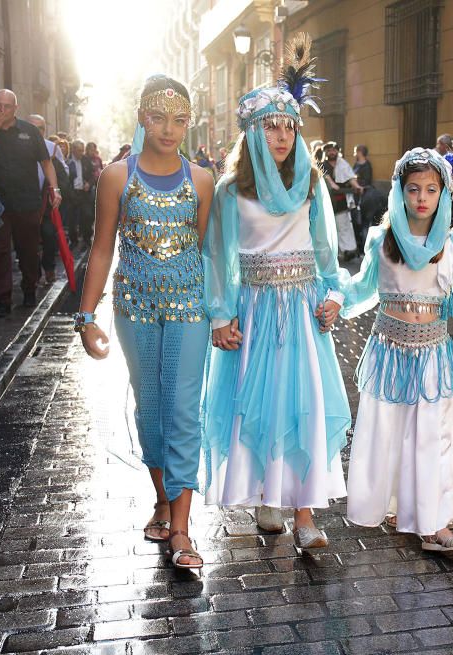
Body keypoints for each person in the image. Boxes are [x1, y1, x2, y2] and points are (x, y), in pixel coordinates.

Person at [202, 33, 350, 550]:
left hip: (303, 312)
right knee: (259, 402)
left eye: (289, 126)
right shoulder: (230, 191)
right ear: (252, 131)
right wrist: (221, 316)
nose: (283, 136)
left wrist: (334, 295)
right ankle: (268, 495)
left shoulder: (310, 185)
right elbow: (217, 258)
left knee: (302, 403)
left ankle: (306, 513)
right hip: (257, 309)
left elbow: (328, 253)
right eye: (271, 126)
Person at [76, 74, 214, 569]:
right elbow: (100, 249)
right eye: (158, 117)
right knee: (149, 408)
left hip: (189, 310)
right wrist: (87, 316)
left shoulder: (201, 180)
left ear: (189, 122)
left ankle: (181, 527)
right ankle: (161, 497)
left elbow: (203, 252)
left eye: (179, 119)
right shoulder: (117, 176)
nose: (169, 128)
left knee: (182, 410)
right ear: (141, 116)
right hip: (133, 310)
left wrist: (221, 313)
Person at [341, 148, 453, 554]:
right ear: (400, 192)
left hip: (432, 354)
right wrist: (331, 299)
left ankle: (434, 524)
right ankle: (397, 506)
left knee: (433, 438)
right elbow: (361, 288)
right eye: (413, 189)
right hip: (388, 351)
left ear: (443, 195)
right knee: (387, 432)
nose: (421, 197)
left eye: (431, 190)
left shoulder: (450, 242)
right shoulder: (382, 239)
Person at [0, 89, 62, 315]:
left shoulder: (29, 131)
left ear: (15, 108)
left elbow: (46, 162)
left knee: (28, 250)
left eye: (6, 106)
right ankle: (3, 300)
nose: (1, 110)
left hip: (27, 201)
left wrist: (54, 188)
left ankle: (30, 288)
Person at [28, 114, 66, 285]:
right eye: (33, 127)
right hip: (26, 201)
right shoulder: (18, 146)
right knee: (30, 240)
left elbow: (64, 172)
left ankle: (49, 268)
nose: (37, 131)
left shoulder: (52, 148)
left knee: (49, 236)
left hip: (47, 202)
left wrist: (55, 189)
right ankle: (33, 273)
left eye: (41, 128)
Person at [320, 141, 359, 260]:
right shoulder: (321, 165)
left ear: (337, 151)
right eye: (329, 150)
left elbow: (350, 177)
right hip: (327, 202)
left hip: (341, 201)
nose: (331, 152)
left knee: (344, 225)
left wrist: (357, 186)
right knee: (330, 227)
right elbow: (325, 176)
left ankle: (348, 250)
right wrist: (331, 184)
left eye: (333, 150)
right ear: (326, 152)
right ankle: (333, 252)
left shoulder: (343, 164)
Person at [67, 140, 96, 247]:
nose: (81, 153)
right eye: (79, 150)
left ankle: (87, 238)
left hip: (84, 193)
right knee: (72, 218)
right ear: (73, 150)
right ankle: (73, 239)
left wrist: (89, 183)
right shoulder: (68, 161)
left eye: (82, 150)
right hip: (72, 192)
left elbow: (93, 176)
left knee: (88, 215)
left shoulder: (86, 160)